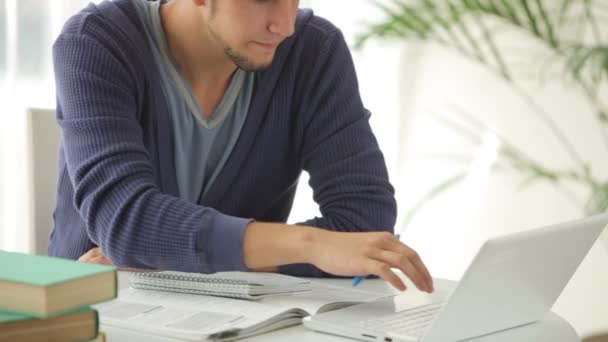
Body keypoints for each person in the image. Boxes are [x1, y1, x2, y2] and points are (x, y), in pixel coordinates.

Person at [50, 0, 434, 293]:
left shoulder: (312, 52)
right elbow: (127, 222)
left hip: (239, 320)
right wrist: (310, 245)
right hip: (97, 310)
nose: (283, 25)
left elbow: (365, 225)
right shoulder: (94, 43)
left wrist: (168, 259)